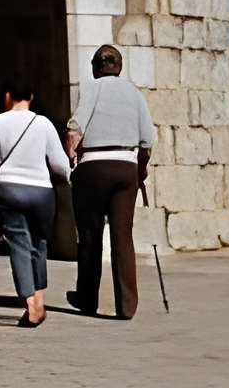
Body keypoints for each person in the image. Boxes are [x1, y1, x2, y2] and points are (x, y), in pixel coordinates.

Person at [66, 43, 152, 319]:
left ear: (96, 67)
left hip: (93, 167)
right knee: (123, 236)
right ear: (120, 66)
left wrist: (70, 157)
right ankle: (126, 306)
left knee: (90, 235)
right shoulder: (135, 94)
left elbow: (75, 128)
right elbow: (147, 140)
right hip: (126, 168)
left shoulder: (93, 90)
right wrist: (141, 170)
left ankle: (87, 298)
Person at [0, 82, 69, 326]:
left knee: (19, 245)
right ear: (31, 96)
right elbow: (59, 164)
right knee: (39, 243)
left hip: (9, 190)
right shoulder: (43, 123)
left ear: (8, 96)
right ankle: (40, 300)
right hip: (41, 192)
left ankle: (30, 306)